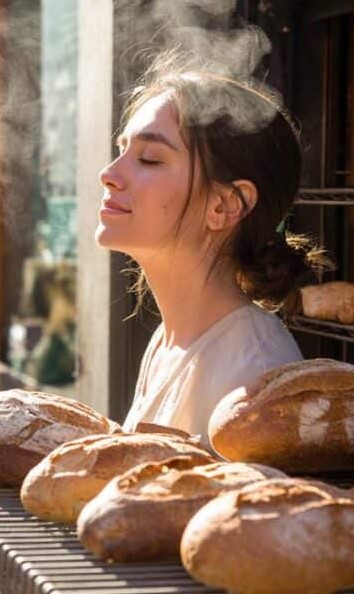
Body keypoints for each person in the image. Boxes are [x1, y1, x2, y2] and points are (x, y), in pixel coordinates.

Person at [98, 63, 330, 443]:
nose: (108, 173)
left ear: (224, 206)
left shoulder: (251, 374)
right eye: (121, 150)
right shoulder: (170, 341)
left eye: (150, 158)